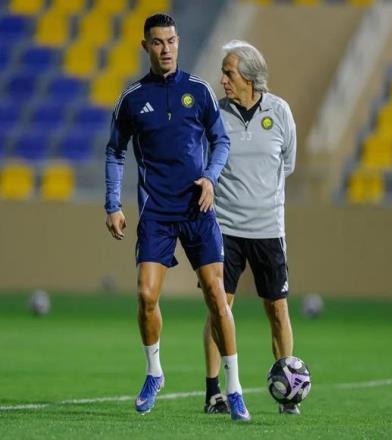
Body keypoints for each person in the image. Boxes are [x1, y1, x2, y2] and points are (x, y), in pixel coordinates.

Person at [104, 15, 250, 421]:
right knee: (146, 295)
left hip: (197, 208)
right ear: (145, 47)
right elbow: (115, 151)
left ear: (178, 42)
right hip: (157, 212)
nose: (166, 48)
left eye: (171, 41)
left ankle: (235, 388)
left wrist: (210, 177)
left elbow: (220, 140)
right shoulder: (132, 98)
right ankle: (154, 372)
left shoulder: (198, 91)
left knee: (217, 295)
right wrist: (113, 204)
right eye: (157, 42)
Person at [203, 40, 298, 415]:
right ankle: (214, 392)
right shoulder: (216, 113)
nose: (223, 80)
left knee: (277, 309)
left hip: (268, 229)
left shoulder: (280, 111)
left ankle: (288, 391)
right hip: (224, 227)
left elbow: (287, 163)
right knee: (219, 307)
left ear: (249, 77)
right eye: (223, 73)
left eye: (229, 73)